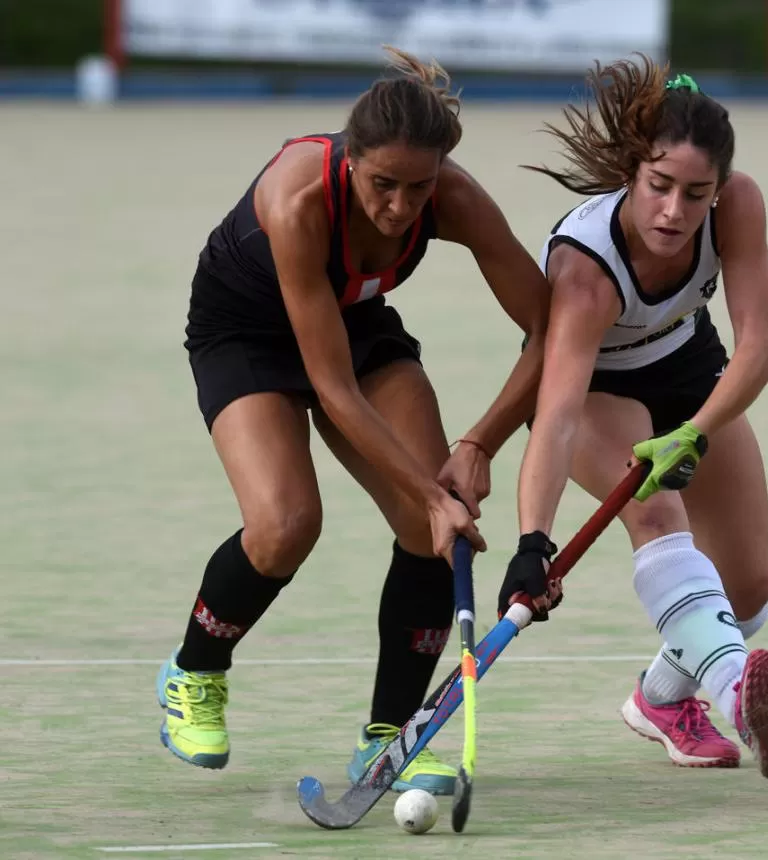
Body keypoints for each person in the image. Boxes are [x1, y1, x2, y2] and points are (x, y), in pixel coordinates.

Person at [156, 47, 550, 796]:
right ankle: (194, 670)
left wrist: (478, 445)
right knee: (286, 524)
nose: (401, 206)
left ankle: (390, 736)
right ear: (349, 160)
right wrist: (436, 495)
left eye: (418, 186)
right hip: (244, 334)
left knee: (434, 530)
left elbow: (550, 329)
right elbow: (333, 389)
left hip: (355, 325)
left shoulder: (453, 199)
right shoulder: (297, 199)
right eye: (382, 185)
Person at [498, 58, 768, 777]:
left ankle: (661, 699)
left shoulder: (740, 205)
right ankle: (740, 698)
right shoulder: (586, 272)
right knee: (660, 515)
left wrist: (695, 430)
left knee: (747, 590)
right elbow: (558, 415)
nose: (674, 211)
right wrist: (531, 541)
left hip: (691, 373)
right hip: (596, 391)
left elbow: (758, 344)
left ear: (720, 188)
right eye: (659, 187)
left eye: (696, 195)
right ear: (632, 174)